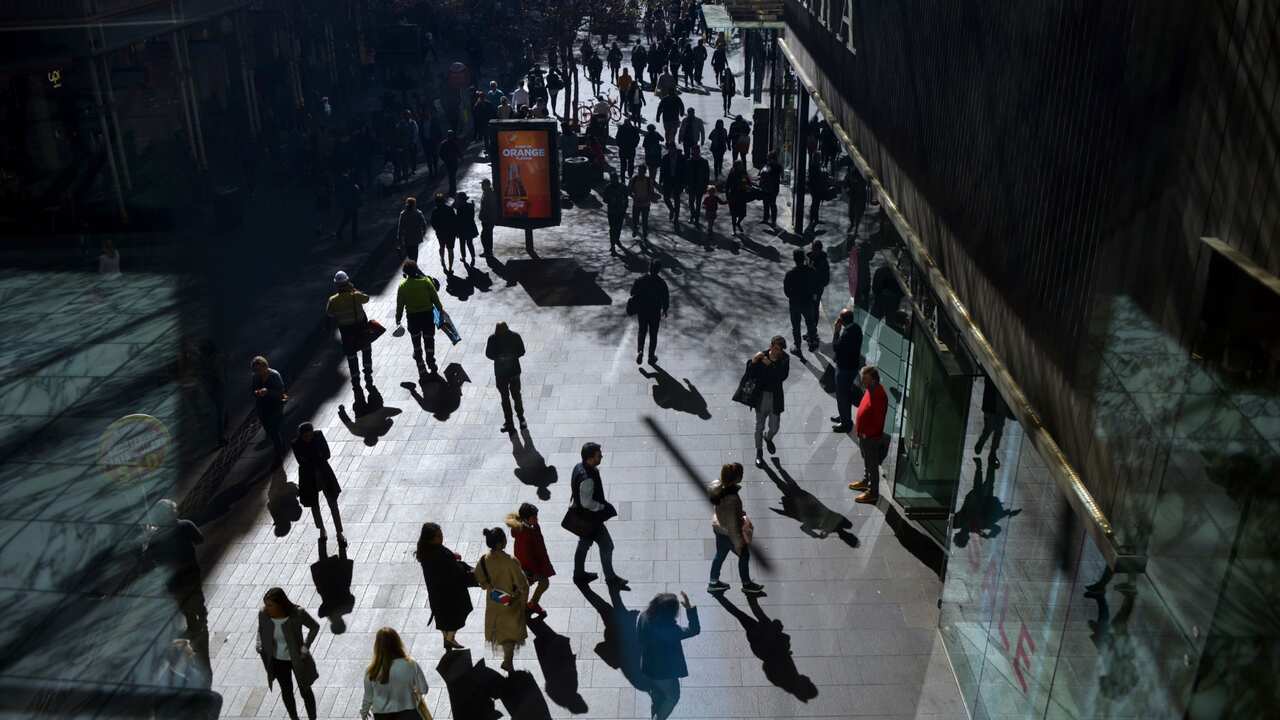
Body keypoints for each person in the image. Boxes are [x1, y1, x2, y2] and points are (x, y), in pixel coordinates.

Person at [143, 499, 210, 675]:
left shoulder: (156, 538)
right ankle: (201, 616)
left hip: (174, 580)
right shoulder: (186, 525)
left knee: (182, 601)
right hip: (191, 571)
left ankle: (192, 622)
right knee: (197, 594)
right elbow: (200, 540)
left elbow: (150, 560)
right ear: (174, 512)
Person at [256, 587, 320, 720]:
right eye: (266, 605)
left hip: (297, 659)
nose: (267, 608)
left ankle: (312, 718)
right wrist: (259, 644)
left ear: (280, 604)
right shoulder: (264, 614)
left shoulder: (297, 614)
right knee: (286, 691)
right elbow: (260, 630)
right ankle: (294, 718)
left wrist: (305, 647)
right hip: (277, 660)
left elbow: (314, 627)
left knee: (305, 690)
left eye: (270, 605)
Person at [570, 442, 628, 587]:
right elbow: (587, 503)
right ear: (590, 458)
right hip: (590, 519)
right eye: (598, 455)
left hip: (583, 517)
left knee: (584, 544)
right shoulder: (588, 478)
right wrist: (601, 506)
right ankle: (611, 579)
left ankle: (578, 575)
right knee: (607, 546)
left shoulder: (579, 467)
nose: (601, 456)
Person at [475, 527, 530, 673]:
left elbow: (480, 580)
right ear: (500, 543)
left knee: (500, 633)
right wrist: (524, 602)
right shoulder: (510, 561)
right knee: (511, 635)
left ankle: (507, 661)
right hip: (511, 603)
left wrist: (489, 587)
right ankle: (508, 662)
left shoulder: (483, 560)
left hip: (494, 601)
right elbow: (523, 584)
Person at [638, 592, 700, 720]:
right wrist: (689, 609)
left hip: (647, 667)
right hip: (663, 674)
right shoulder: (670, 630)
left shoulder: (643, 616)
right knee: (672, 696)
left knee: (656, 696)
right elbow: (694, 629)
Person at [415, 522, 473, 651]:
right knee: (455, 618)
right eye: (439, 535)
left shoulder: (425, 551)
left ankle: (447, 640)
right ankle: (450, 639)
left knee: (443, 621)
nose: (442, 537)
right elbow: (455, 571)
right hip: (449, 595)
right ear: (431, 539)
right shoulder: (440, 554)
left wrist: (452, 557)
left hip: (436, 595)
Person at [707, 463, 763, 594]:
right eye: (741, 474)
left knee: (720, 555)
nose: (742, 476)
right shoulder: (732, 499)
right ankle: (747, 584)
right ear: (735, 478)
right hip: (729, 532)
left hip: (719, 527)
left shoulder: (719, 487)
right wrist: (739, 544)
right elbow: (733, 525)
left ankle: (713, 582)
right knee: (744, 555)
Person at [360, 627, 430, 720]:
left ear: (377, 646)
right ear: (397, 642)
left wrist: (364, 713)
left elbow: (368, 697)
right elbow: (424, 689)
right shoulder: (411, 664)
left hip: (382, 715)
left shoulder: (372, 670)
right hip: (409, 713)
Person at [292, 423, 345, 545]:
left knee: (333, 503)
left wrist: (312, 457)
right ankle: (322, 529)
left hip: (323, 474)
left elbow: (327, 454)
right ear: (301, 436)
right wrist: (317, 456)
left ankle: (339, 532)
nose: (308, 438)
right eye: (305, 436)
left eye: (310, 435)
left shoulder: (318, 436)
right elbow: (302, 462)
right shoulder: (296, 444)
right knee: (314, 505)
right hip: (309, 478)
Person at [326, 270, 374, 390]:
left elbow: (329, 313)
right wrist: (354, 290)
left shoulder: (333, 300)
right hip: (361, 328)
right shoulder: (355, 295)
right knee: (366, 350)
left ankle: (355, 378)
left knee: (351, 356)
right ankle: (368, 373)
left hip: (346, 331)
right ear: (347, 282)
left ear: (336, 285)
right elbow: (367, 298)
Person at [747, 336, 790, 468]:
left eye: (780, 349)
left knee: (775, 427)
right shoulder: (762, 356)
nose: (778, 352)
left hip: (776, 397)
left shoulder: (785, 359)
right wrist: (753, 362)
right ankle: (759, 452)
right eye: (776, 348)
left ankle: (768, 438)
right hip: (761, 397)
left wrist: (769, 365)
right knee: (759, 426)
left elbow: (782, 376)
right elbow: (750, 374)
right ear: (771, 346)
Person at [394, 260, 444, 373]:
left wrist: (398, 319)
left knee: (416, 342)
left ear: (405, 273)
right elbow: (435, 299)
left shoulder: (402, 286)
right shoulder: (426, 282)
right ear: (416, 270)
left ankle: (421, 365)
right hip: (427, 316)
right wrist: (440, 311)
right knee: (429, 339)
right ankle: (431, 361)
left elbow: (400, 305)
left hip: (413, 319)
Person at [506, 503, 555, 618]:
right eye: (534, 517)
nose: (537, 519)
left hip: (534, 565)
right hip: (529, 568)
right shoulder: (524, 534)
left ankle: (529, 605)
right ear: (526, 519)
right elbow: (525, 556)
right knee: (542, 583)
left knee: (535, 585)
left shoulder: (532, 527)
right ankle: (527, 606)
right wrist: (535, 572)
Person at [850, 365, 890, 503]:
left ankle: (873, 493)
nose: (862, 381)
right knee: (867, 460)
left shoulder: (879, 395)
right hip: (864, 435)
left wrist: (868, 434)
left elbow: (879, 421)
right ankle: (866, 481)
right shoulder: (870, 389)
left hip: (870, 438)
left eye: (865, 378)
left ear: (873, 380)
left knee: (872, 465)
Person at [485, 321, 527, 431]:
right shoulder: (495, 338)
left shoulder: (510, 337)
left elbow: (522, 351)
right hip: (506, 373)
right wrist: (504, 357)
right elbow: (488, 354)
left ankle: (516, 420)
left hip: (508, 373)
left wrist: (506, 357)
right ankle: (514, 421)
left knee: (511, 397)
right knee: (510, 397)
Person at [830, 309, 864, 433]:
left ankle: (846, 423)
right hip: (853, 366)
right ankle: (844, 416)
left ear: (842, 321)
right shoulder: (857, 328)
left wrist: (836, 332)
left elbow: (835, 347)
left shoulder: (845, 335)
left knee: (842, 396)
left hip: (844, 370)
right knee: (846, 395)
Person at [630, 259, 670, 364]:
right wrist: (665, 309)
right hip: (655, 311)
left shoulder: (640, 280)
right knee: (653, 334)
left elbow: (632, 293)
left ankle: (640, 351)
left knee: (642, 331)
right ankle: (651, 357)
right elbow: (666, 297)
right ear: (658, 270)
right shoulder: (661, 283)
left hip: (642, 310)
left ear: (649, 268)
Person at [251, 355, 288, 461]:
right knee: (269, 431)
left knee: (274, 430)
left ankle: (279, 453)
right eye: (255, 370)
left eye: (259, 369)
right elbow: (253, 391)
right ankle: (280, 448)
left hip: (275, 406)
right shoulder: (255, 377)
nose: (258, 372)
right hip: (262, 408)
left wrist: (268, 392)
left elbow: (281, 392)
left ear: (265, 366)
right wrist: (257, 392)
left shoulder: (274, 375)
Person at [784, 249, 820, 354]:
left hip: (795, 304)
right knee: (810, 323)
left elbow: (786, 291)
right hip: (808, 302)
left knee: (796, 326)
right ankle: (812, 341)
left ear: (794, 259)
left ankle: (797, 345)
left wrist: (793, 297)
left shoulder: (790, 274)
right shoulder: (811, 271)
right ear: (804, 258)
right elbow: (817, 286)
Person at [974, 377, 1013, 462]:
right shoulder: (992, 379)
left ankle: (992, 452)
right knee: (989, 429)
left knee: (997, 431)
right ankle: (983, 444)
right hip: (992, 408)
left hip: (1000, 409)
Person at [629, 165, 659, 244]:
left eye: (642, 171)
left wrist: (648, 198)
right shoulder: (634, 179)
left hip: (645, 204)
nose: (640, 173)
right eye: (639, 171)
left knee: (645, 220)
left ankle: (645, 235)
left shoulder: (649, 181)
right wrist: (633, 196)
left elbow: (651, 192)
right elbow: (629, 191)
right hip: (636, 203)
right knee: (635, 219)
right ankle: (635, 229)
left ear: (645, 172)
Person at [603, 172, 630, 254]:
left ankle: (617, 239)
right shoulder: (608, 188)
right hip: (612, 212)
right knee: (612, 228)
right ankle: (612, 245)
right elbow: (604, 200)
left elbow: (626, 198)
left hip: (620, 211)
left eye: (615, 179)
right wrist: (610, 199)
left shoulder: (623, 187)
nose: (613, 180)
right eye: (612, 179)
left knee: (618, 228)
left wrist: (624, 207)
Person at [430, 192, 458, 273]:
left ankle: (442, 259)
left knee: (441, 247)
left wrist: (437, 229)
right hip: (451, 233)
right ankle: (450, 268)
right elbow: (455, 221)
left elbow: (433, 223)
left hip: (441, 233)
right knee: (450, 250)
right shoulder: (450, 209)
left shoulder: (435, 211)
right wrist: (456, 232)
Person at [683, 146, 710, 226]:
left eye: (696, 151)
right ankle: (693, 215)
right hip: (691, 185)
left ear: (698, 152)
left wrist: (706, 186)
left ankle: (696, 218)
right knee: (691, 202)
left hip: (700, 185)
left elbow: (706, 175)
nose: (695, 153)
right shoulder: (688, 161)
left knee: (698, 203)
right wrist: (685, 184)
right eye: (694, 151)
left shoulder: (704, 162)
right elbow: (685, 175)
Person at [659, 144, 684, 224]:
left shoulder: (681, 158)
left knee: (677, 199)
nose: (671, 151)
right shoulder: (665, 158)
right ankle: (671, 209)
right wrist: (661, 180)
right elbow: (662, 170)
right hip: (668, 180)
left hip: (678, 181)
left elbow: (685, 171)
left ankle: (676, 217)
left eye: (672, 149)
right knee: (666, 198)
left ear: (675, 149)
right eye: (669, 149)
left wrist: (684, 183)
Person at [808, 241, 831, 331]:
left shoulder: (823, 263)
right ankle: (810, 329)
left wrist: (818, 284)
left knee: (814, 308)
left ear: (819, 250)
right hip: (809, 288)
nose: (813, 251)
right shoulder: (810, 258)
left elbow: (826, 279)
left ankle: (813, 329)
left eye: (815, 249)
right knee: (809, 308)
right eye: (813, 249)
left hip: (816, 290)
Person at [334, 171, 362, 244]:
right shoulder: (354, 186)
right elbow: (357, 196)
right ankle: (353, 236)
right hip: (352, 205)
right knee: (353, 220)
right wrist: (359, 203)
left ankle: (339, 232)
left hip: (347, 205)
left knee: (346, 219)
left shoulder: (344, 184)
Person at [725, 160, 752, 234]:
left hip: (742, 195)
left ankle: (738, 222)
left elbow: (749, 182)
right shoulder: (732, 173)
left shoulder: (744, 173)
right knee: (734, 214)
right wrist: (727, 195)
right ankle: (734, 230)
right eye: (740, 165)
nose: (742, 166)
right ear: (736, 166)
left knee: (743, 214)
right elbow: (727, 185)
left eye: (742, 165)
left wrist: (749, 186)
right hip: (733, 195)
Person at [454, 191, 479, 265]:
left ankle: (464, 257)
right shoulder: (471, 206)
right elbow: (472, 216)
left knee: (462, 244)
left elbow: (458, 220)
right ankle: (473, 256)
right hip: (470, 227)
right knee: (470, 243)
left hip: (462, 229)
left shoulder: (459, 208)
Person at [759, 151, 783, 226]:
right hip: (768, 187)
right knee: (766, 203)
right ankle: (767, 219)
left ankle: (772, 221)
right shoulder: (769, 165)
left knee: (771, 204)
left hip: (772, 188)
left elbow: (781, 176)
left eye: (769, 158)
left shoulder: (776, 166)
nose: (768, 159)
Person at [479, 178, 498, 256]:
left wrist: (487, 218)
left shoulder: (489, 194)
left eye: (483, 185)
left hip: (488, 219)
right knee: (486, 236)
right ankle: (487, 251)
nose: (481, 186)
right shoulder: (486, 193)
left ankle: (488, 252)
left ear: (486, 185)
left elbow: (491, 208)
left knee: (486, 236)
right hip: (486, 219)